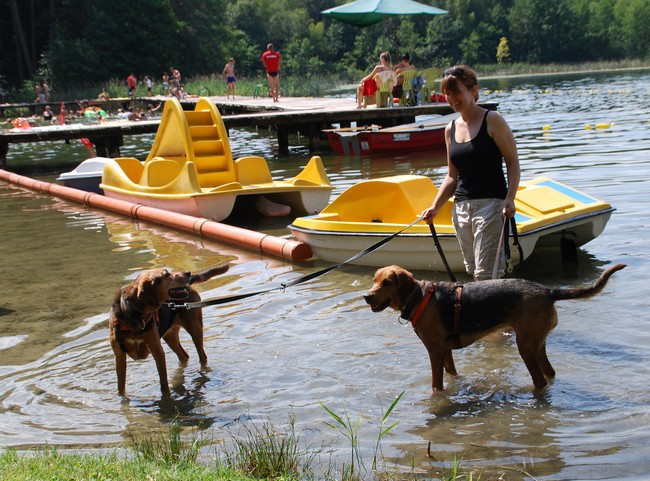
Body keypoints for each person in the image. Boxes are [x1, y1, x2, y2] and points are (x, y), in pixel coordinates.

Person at [421, 65, 520, 281]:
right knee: (473, 272)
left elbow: (512, 161)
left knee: (487, 276)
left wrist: (510, 197)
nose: (451, 98)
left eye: (456, 91)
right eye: (447, 93)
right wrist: (435, 207)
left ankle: (494, 314)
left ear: (473, 90)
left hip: (491, 206)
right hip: (462, 208)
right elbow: (451, 177)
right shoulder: (450, 129)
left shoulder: (492, 120)